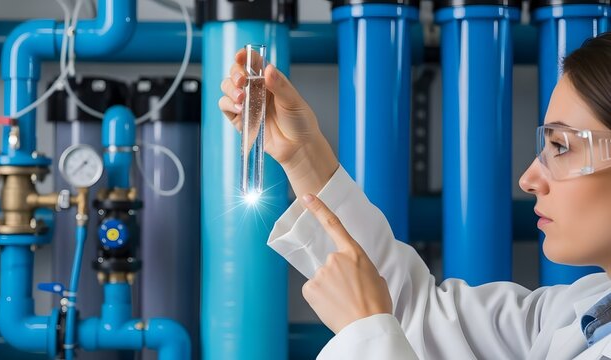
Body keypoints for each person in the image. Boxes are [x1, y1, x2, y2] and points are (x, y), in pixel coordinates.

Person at [219, 33, 611, 359]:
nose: (529, 179)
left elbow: (393, 320)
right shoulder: (580, 316)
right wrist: (303, 155)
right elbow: (421, 316)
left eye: (561, 146)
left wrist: (367, 336)